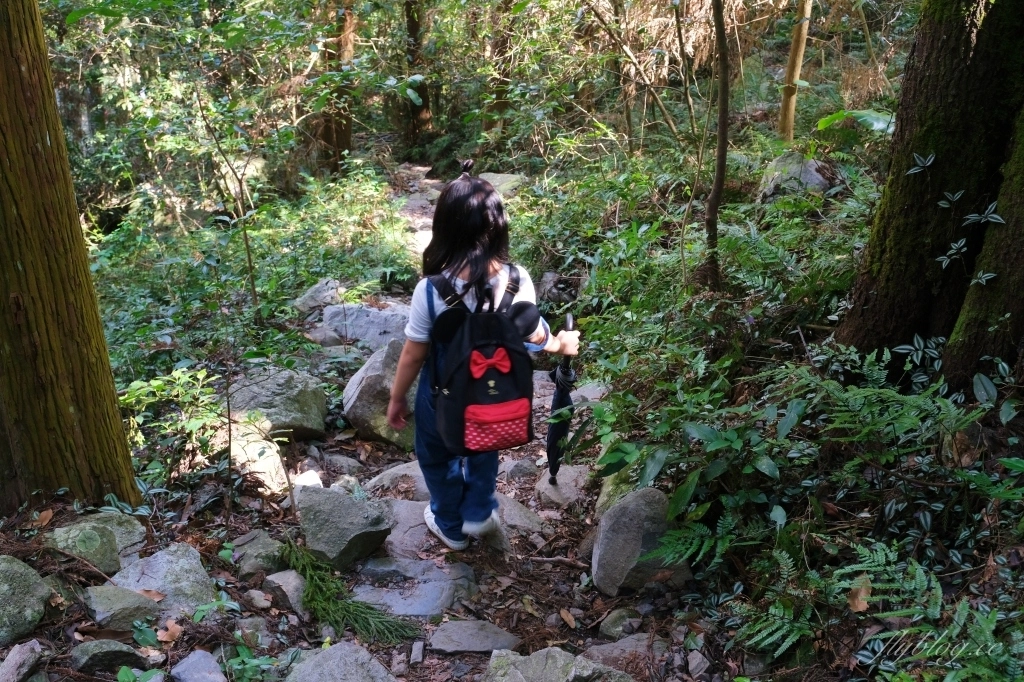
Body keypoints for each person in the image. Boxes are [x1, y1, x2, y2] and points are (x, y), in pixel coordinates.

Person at [386, 161, 580, 551]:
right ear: (498, 227)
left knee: (436, 456)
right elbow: (535, 333)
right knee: (484, 443)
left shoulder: (429, 290)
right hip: (495, 394)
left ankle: (450, 524)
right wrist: (563, 343)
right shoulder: (517, 279)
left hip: (441, 395)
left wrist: (395, 398)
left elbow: (413, 353)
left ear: (444, 229)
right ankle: (478, 510)